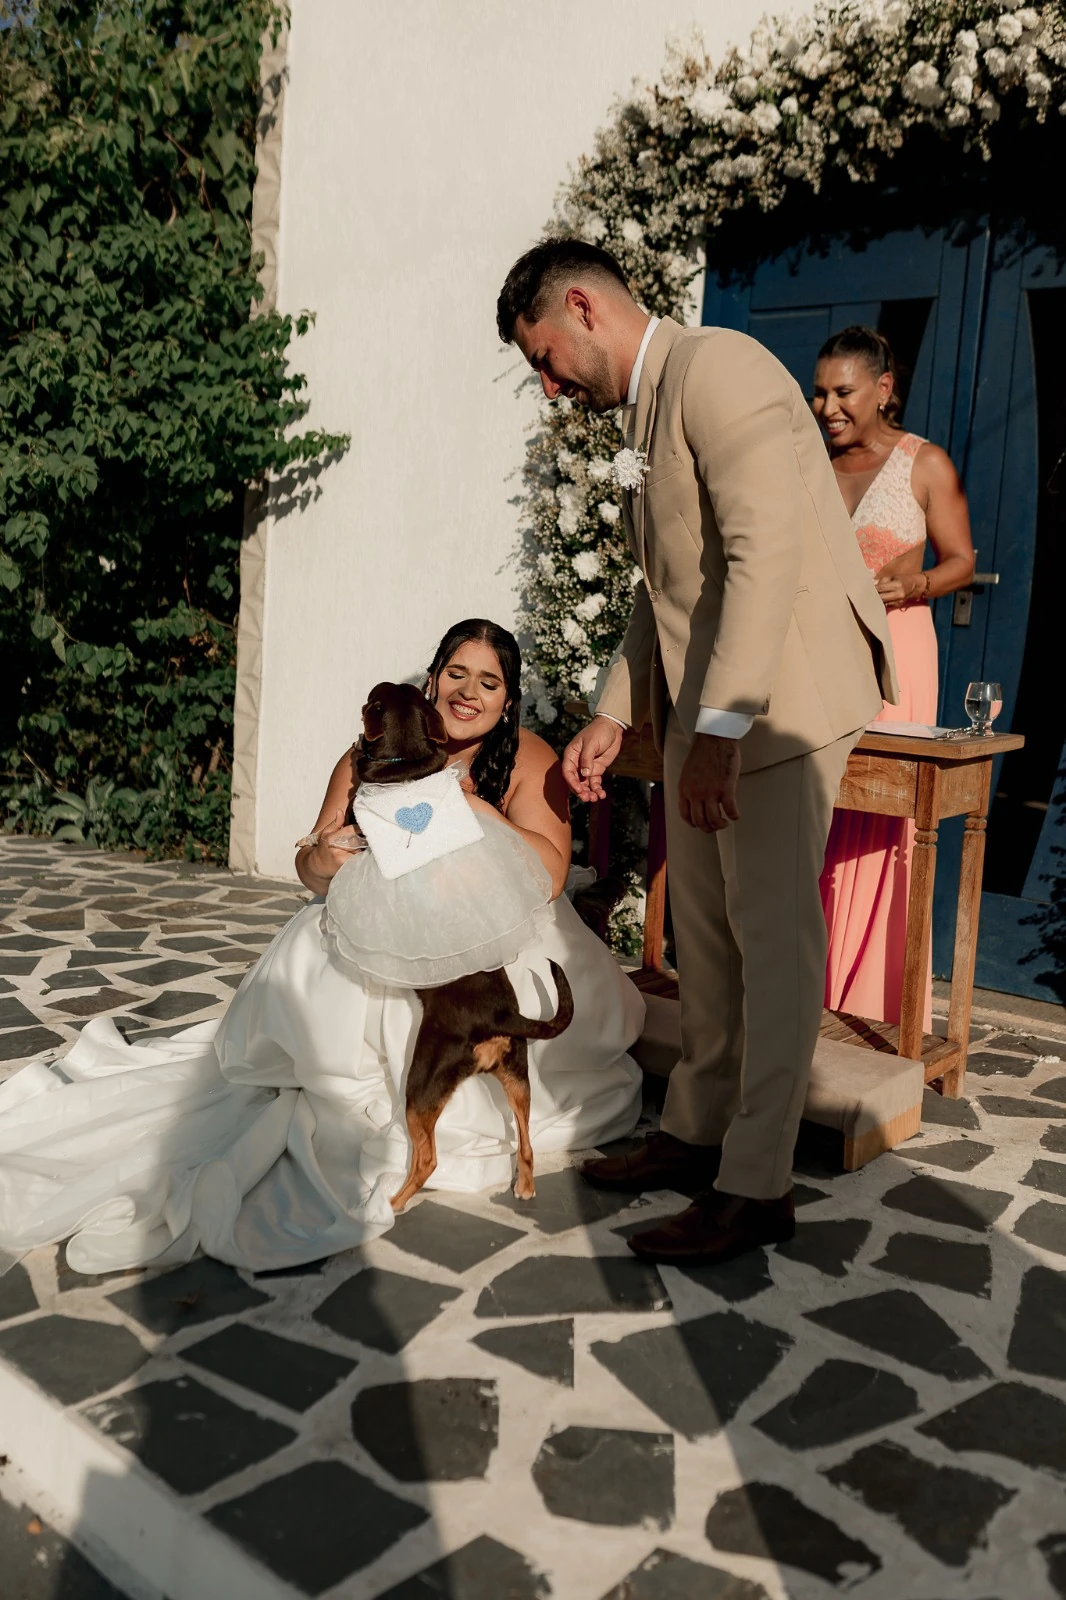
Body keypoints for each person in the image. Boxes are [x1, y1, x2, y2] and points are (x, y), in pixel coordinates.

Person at [0, 619, 642, 1276]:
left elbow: (551, 874)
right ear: (431, 680)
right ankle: (338, 1076)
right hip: (378, 922)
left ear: (509, 699)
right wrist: (328, 859)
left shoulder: (530, 759)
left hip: (499, 932)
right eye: (456, 674)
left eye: (489, 682)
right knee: (325, 958)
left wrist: (475, 810)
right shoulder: (369, 752)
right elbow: (311, 860)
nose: (468, 693)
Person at [497, 239, 896, 1267]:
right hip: (701, 706)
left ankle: (755, 1184)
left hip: (784, 697)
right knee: (707, 942)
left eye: (545, 358)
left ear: (582, 307)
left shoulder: (719, 371)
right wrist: (612, 712)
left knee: (771, 943)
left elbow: (762, 556)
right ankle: (694, 1131)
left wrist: (721, 732)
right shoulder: (644, 408)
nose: (547, 386)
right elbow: (665, 587)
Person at [812, 327, 975, 1029]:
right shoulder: (805, 463)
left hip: (896, 655)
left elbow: (962, 559)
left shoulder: (924, 464)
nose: (827, 407)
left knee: (883, 810)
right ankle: (803, 979)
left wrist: (914, 586)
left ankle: (868, 994)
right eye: (818, 392)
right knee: (813, 809)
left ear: (882, 389)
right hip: (816, 655)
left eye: (842, 391)